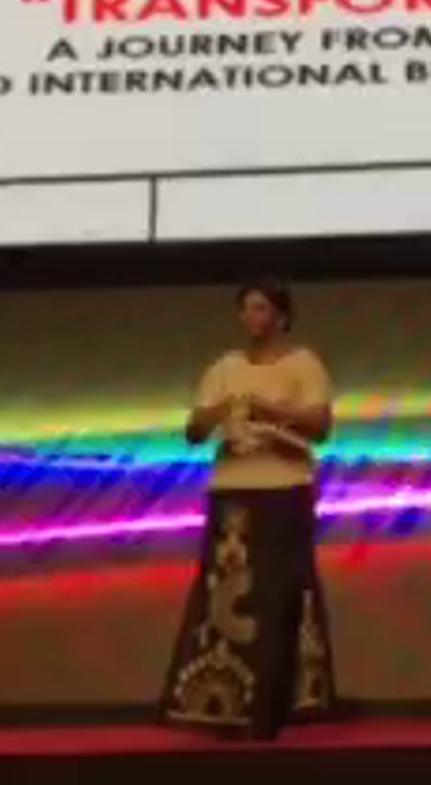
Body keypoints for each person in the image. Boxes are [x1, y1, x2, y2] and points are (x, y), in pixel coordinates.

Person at [159, 278, 337, 739]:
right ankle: (227, 705)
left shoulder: (303, 363)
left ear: (281, 316)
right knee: (226, 595)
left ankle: (274, 709)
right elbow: (194, 431)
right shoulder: (225, 368)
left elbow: (320, 426)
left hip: (285, 489)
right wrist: (222, 409)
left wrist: (269, 410)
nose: (252, 317)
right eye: (246, 309)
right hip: (233, 492)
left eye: (261, 308)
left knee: (280, 596)